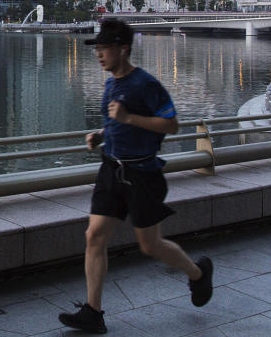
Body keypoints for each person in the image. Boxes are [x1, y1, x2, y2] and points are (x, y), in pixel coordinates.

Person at [59, 18, 213, 334]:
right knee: (94, 236)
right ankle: (93, 312)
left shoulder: (145, 84)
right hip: (111, 168)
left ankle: (198, 273)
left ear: (123, 49)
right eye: (97, 49)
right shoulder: (111, 82)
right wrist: (102, 134)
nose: (99, 54)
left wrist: (129, 117)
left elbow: (171, 125)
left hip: (142, 173)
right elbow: (119, 121)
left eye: (104, 49)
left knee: (150, 245)